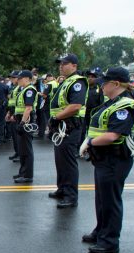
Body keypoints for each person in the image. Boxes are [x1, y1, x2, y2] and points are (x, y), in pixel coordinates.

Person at [80, 67, 134, 253]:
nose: (102, 85)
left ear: (116, 84)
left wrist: (90, 142)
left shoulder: (124, 106)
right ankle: (101, 230)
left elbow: (113, 135)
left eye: (105, 82)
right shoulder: (113, 102)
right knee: (102, 199)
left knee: (110, 200)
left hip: (115, 158)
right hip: (104, 158)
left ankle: (109, 241)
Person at [48, 54, 88, 208]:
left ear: (74, 66)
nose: (61, 66)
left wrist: (57, 117)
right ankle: (63, 188)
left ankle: (71, 196)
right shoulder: (66, 81)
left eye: (64, 63)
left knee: (68, 162)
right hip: (61, 127)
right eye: (60, 64)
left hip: (70, 126)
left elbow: (76, 106)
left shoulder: (77, 82)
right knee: (60, 160)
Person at [13, 70, 38, 183]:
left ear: (27, 78)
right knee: (22, 148)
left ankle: (27, 175)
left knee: (26, 149)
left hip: (26, 121)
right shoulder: (23, 90)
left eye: (20, 78)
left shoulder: (30, 90)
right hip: (21, 119)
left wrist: (22, 123)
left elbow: (28, 108)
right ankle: (22, 172)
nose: (18, 80)